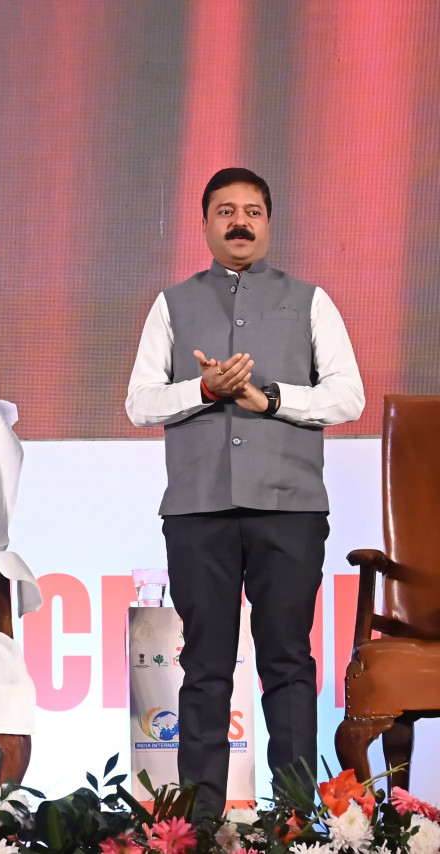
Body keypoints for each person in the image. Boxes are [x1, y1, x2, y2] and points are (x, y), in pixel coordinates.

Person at [125, 167, 363, 815]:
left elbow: (349, 395)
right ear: (204, 224)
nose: (239, 222)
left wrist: (272, 399)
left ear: (268, 223)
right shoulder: (172, 303)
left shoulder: (310, 300)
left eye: (252, 211)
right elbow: (139, 402)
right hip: (198, 508)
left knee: (287, 660)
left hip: (290, 507)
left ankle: (295, 819)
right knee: (205, 664)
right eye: (225, 211)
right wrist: (204, 390)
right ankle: (199, 823)